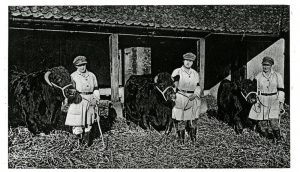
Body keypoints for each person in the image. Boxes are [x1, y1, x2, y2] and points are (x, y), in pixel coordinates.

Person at [65, 55, 99, 146]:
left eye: (83, 65)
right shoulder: (73, 76)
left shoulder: (92, 75)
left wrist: (95, 99)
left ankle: (87, 140)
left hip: (90, 99)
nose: (82, 67)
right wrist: (73, 96)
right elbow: (69, 90)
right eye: (79, 66)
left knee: (89, 121)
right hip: (78, 100)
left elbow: (96, 88)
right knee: (77, 121)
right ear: (76, 66)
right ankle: (78, 142)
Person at [248, 56, 285, 141]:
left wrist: (281, 103)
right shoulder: (258, 76)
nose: (265, 67)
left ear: (271, 65)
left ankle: (278, 139)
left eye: (267, 65)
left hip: (273, 100)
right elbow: (254, 89)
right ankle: (267, 138)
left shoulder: (277, 76)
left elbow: (281, 90)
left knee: (274, 121)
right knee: (262, 121)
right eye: (264, 65)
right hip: (262, 99)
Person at [171, 52, 202, 144]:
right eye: (186, 60)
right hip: (181, 96)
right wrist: (173, 95)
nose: (188, 63)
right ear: (183, 61)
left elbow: (198, 86)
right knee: (181, 118)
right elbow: (173, 85)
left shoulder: (195, 73)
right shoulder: (177, 71)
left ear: (193, 62)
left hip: (193, 97)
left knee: (193, 118)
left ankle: (194, 139)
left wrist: (196, 94)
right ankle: (181, 140)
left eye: (191, 61)